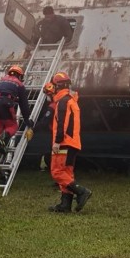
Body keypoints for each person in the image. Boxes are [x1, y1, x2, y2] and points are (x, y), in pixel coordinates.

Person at [48, 71, 91, 213]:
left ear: (57, 86)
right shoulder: (71, 100)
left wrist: (57, 141)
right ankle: (65, 205)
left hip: (64, 143)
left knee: (57, 172)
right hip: (73, 143)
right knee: (67, 174)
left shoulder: (63, 101)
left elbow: (62, 123)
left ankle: (82, 191)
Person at [0, 65, 34, 153]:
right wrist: (27, 120)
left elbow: (2, 92)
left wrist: (13, 98)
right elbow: (23, 104)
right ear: (19, 75)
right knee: (12, 126)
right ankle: (3, 138)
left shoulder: (2, 80)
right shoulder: (19, 84)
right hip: (5, 102)